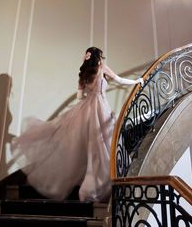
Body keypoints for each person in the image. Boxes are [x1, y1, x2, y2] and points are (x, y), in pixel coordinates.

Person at [11, 47, 143, 202]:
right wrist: (137, 81)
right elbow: (119, 80)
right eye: (101, 56)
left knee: (90, 147)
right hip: (101, 107)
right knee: (102, 144)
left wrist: (89, 92)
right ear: (98, 58)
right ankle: (100, 182)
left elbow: (80, 96)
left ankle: (90, 182)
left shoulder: (83, 74)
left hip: (86, 109)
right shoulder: (102, 68)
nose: (102, 59)